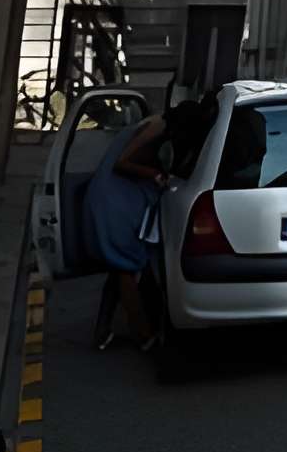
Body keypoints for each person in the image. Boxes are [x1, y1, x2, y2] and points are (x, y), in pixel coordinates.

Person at [84, 95, 217, 349]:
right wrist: (156, 174)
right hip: (114, 199)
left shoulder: (161, 125)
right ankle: (143, 336)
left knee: (119, 265)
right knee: (126, 265)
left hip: (117, 196)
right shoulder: (158, 126)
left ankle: (103, 333)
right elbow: (123, 162)